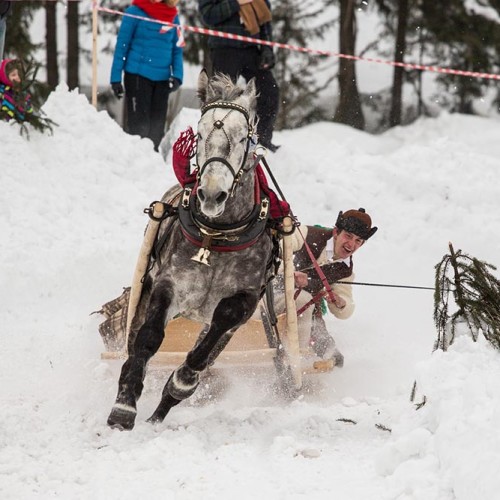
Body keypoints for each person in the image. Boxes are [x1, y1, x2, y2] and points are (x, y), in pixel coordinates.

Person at [269, 208, 377, 366]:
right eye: (348, 236)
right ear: (336, 232)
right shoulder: (307, 234)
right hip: (271, 294)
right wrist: (290, 273)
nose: (351, 244)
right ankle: (296, 362)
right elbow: (275, 251)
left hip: (306, 312)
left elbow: (345, 309)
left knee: (335, 357)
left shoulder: (345, 271)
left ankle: (302, 361)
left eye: (358, 241)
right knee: (304, 299)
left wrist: (341, 302)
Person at [198, 0, 280, 152]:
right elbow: (207, 15)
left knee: (270, 90)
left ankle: (261, 141)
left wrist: (267, 49)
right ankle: (219, 141)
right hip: (224, 49)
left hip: (251, 49)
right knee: (222, 98)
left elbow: (265, 20)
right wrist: (236, 3)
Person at [110, 0, 184, 152]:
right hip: (137, 77)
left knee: (157, 130)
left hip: (163, 80)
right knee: (139, 129)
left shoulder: (173, 16)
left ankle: (153, 168)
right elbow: (122, 45)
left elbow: (177, 48)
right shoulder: (134, 12)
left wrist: (177, 75)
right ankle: (135, 164)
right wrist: (115, 78)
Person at [0, 58, 33, 123]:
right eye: (13, 75)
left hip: (18, 127)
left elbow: (29, 111)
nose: (17, 77)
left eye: (18, 74)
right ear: (5, 77)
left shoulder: (23, 92)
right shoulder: (2, 91)